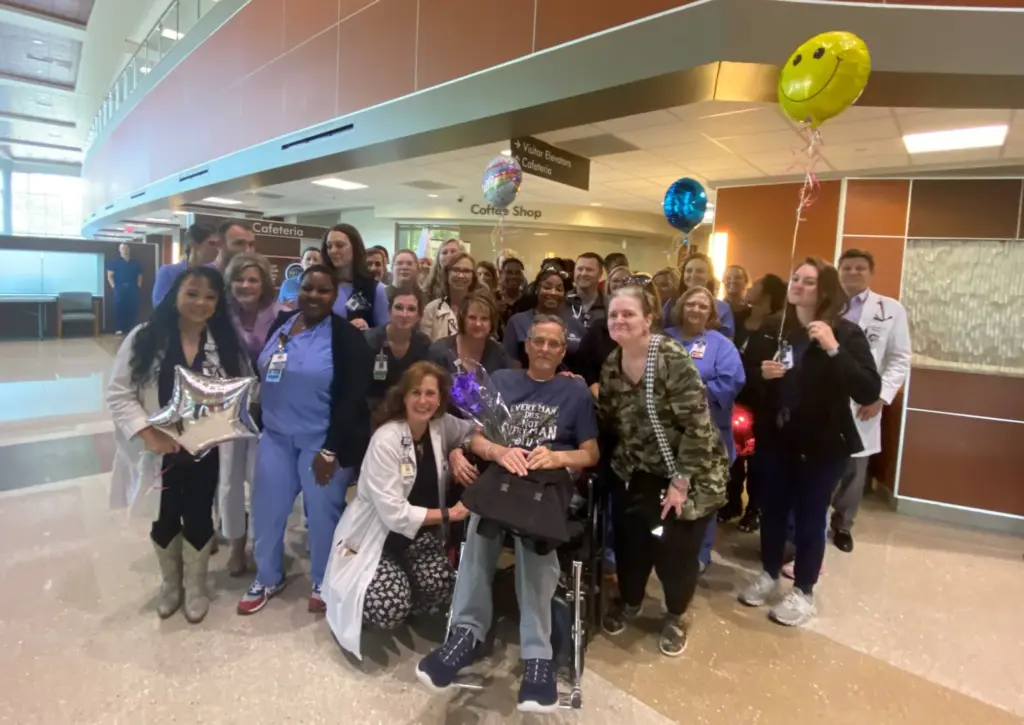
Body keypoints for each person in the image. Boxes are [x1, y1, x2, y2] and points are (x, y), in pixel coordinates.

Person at [416, 315, 600, 713]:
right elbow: (477, 439)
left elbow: (591, 453)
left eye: (554, 343)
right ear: (527, 345)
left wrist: (557, 457)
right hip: (503, 477)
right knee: (480, 526)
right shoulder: (500, 381)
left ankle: (538, 656)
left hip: (547, 484)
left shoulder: (574, 392)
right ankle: (465, 635)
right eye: (539, 341)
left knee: (533, 538)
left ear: (563, 352)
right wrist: (500, 452)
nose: (545, 349)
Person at [738, 258, 880, 627]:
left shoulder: (844, 333)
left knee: (810, 516)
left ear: (825, 290)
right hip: (776, 438)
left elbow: (867, 389)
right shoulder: (775, 328)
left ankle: (804, 591)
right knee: (771, 510)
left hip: (822, 443)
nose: (797, 285)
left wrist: (834, 349)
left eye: (808, 281)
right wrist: (761, 374)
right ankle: (770, 573)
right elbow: (744, 377)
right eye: (795, 278)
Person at [107, 267, 250, 623]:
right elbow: (119, 393)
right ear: (175, 295)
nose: (200, 303)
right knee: (164, 516)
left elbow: (244, 389)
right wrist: (149, 435)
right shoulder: (145, 337)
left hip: (206, 451)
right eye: (192, 293)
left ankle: (196, 587)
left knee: (200, 514)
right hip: (161, 451)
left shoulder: (225, 342)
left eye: (210, 297)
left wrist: (225, 415)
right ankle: (171, 585)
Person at [597, 284, 729, 656]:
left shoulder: (671, 358)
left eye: (628, 314)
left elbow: (698, 427)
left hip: (688, 472)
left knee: (676, 554)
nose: (619, 320)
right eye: (613, 314)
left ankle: (676, 614)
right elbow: (609, 421)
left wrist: (680, 483)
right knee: (632, 547)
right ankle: (631, 601)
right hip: (637, 472)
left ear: (648, 319)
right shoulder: (611, 365)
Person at [238, 265, 374, 616]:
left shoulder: (346, 338)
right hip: (275, 436)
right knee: (267, 509)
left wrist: (331, 449)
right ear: (297, 290)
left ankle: (323, 579)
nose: (314, 295)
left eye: (323, 290)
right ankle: (268, 576)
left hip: (321, 441)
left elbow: (352, 399)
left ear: (335, 295)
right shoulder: (282, 324)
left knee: (323, 513)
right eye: (307, 288)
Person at [324, 362, 475, 659]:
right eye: (416, 392)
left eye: (430, 393)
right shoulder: (386, 439)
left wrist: (458, 451)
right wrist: (452, 514)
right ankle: (374, 604)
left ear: (440, 399)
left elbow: (472, 431)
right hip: (374, 537)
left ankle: (408, 592)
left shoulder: (439, 426)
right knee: (390, 605)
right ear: (403, 397)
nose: (423, 401)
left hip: (415, 537)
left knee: (442, 583)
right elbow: (395, 515)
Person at [830, 249, 910, 553]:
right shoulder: (826, 305)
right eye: (847, 267)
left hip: (863, 401)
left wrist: (880, 396)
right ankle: (811, 521)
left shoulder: (890, 309)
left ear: (870, 272)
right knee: (821, 463)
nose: (852, 273)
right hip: (826, 396)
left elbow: (899, 359)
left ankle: (842, 525)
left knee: (854, 469)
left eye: (859, 268)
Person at [665, 286, 746, 571]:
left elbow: (730, 382)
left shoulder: (721, 345)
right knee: (666, 493)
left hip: (708, 436)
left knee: (703, 497)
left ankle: (699, 554)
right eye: (691, 304)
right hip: (667, 434)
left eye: (703, 306)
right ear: (681, 307)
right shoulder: (664, 338)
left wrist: (688, 395)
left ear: (712, 313)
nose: (696, 310)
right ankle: (664, 549)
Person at [221, 252, 282, 575]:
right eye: (239, 279)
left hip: (267, 408)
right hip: (228, 408)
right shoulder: (220, 314)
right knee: (230, 480)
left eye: (253, 279)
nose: (245, 285)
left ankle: (263, 543)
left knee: (262, 480)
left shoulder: (280, 315)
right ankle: (235, 543)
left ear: (264, 283)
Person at [729, 273, 787, 532]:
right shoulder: (737, 318)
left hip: (762, 402)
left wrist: (757, 374)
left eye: (755, 285)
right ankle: (731, 502)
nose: (749, 289)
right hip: (733, 397)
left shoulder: (778, 327)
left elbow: (778, 366)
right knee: (732, 456)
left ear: (767, 294)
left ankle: (755, 508)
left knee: (757, 459)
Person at [364, 284, 432, 413]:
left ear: (419, 315)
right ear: (389, 310)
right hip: (371, 412)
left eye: (411, 309)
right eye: (399, 307)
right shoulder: (369, 341)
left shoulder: (423, 344)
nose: (404, 315)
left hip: (409, 411)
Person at [504, 267, 586, 369]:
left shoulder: (575, 324)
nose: (553, 292)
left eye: (559, 289)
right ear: (536, 290)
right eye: (547, 287)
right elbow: (511, 366)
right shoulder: (517, 322)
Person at [576, 265, 640, 392]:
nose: (620, 284)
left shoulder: (644, 330)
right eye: (615, 280)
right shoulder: (598, 329)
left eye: (625, 280)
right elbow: (583, 363)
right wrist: (594, 388)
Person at [427, 290, 512, 377]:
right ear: (462, 319)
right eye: (472, 317)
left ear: (492, 323)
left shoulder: (500, 354)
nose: (478, 324)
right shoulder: (439, 352)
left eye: (484, 319)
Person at [321, 223, 390, 330]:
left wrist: (368, 331)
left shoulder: (376, 289)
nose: (333, 251)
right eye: (329, 246)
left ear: (355, 248)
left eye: (339, 245)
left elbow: (385, 332)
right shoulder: (319, 285)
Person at [661, 253, 735, 338]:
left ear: (710, 276)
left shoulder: (724, 308)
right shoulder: (671, 304)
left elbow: (726, 341)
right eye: (689, 271)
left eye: (700, 271)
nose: (693, 275)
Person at [152, 223, 220, 306]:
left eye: (218, 244)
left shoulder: (214, 273)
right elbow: (159, 305)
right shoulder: (169, 272)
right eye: (212, 244)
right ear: (194, 245)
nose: (217, 249)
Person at [420, 252, 479, 342]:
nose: (461, 275)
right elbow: (425, 346)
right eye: (456, 270)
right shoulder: (431, 310)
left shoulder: (482, 309)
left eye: (466, 271)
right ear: (447, 274)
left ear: (473, 276)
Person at [107, 243, 142, 334]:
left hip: (132, 288)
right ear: (119, 250)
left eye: (126, 248)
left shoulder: (135, 263)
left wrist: (138, 285)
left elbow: (139, 275)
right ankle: (119, 328)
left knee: (132, 307)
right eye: (122, 248)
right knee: (119, 307)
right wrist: (114, 287)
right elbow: (110, 276)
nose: (124, 250)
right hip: (120, 288)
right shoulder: (114, 262)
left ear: (129, 249)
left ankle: (131, 328)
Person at [566, 252, 606, 328]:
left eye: (589, 270)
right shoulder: (562, 302)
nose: (583, 273)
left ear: (600, 274)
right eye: (580, 269)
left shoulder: (609, 305)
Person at [497, 256, 527, 326]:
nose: (514, 276)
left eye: (518, 273)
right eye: (509, 272)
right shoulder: (492, 299)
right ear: (501, 274)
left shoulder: (529, 301)